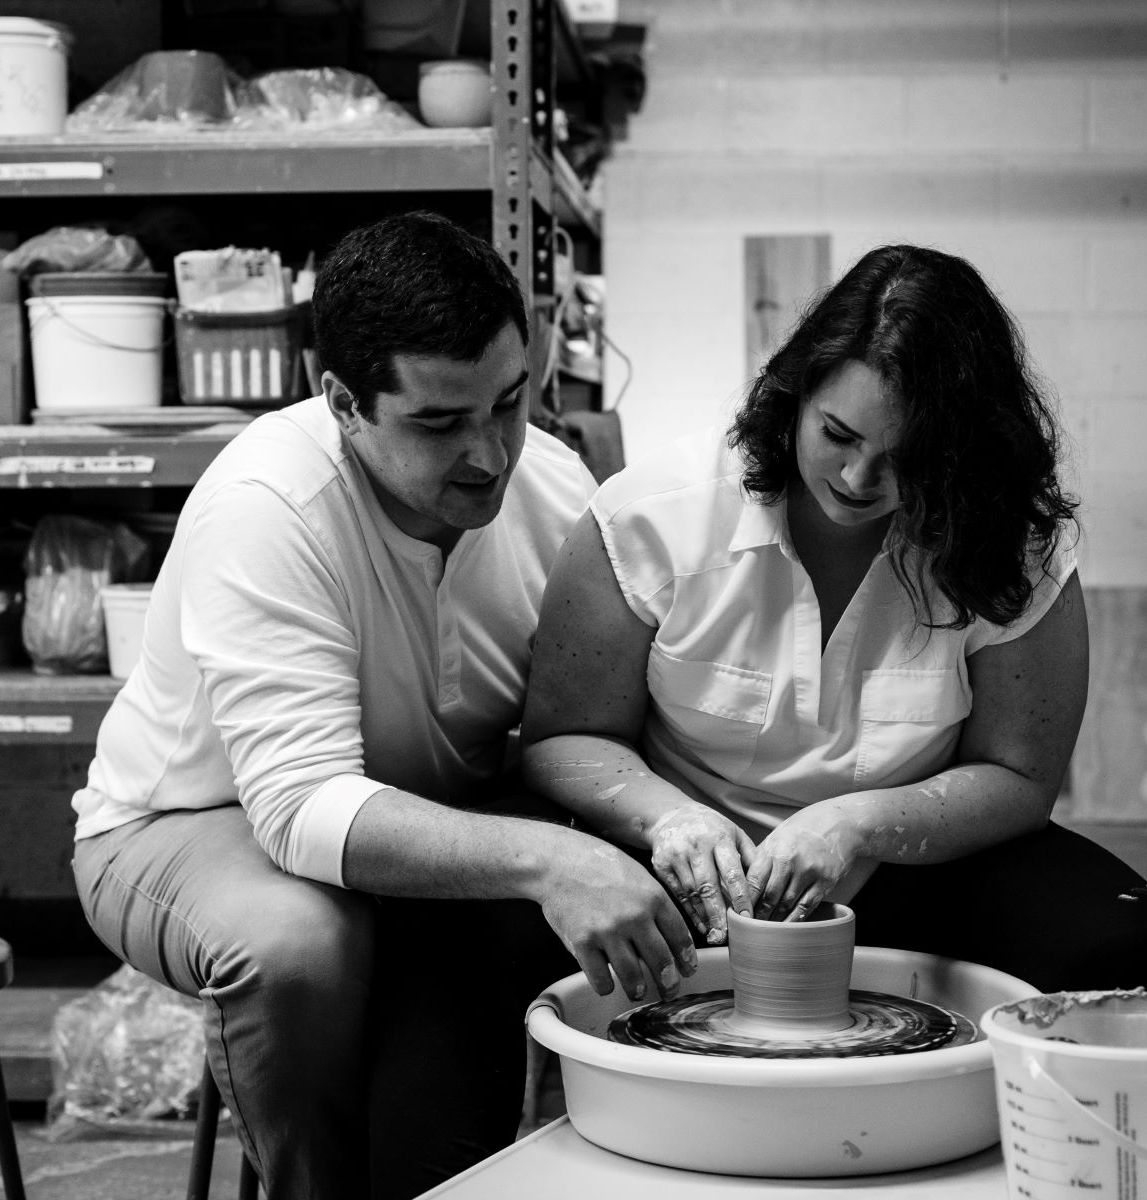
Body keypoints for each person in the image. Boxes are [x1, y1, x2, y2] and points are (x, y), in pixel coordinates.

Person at [69, 212, 697, 1200]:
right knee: (299, 944)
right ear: (343, 403)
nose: (491, 453)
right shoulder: (270, 506)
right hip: (191, 824)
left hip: (433, 805)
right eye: (440, 423)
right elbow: (299, 811)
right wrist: (553, 859)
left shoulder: (551, 486)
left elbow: (595, 725)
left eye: (509, 401)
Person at [521, 243, 1147, 996]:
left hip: (915, 855)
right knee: (501, 933)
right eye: (838, 435)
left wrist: (859, 824)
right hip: (691, 865)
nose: (857, 479)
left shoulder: (1009, 547)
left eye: (908, 457)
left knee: (1123, 940)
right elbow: (563, 739)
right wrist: (668, 818)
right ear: (796, 396)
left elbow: (1020, 778)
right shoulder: (653, 516)